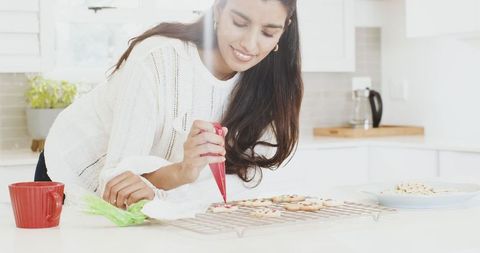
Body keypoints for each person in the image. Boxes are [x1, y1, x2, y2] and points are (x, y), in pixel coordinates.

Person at [35, 0, 303, 209]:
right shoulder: (157, 58)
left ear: (285, 28)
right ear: (219, 10)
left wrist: (185, 174)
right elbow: (117, 183)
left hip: (155, 195)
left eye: (268, 32)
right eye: (239, 22)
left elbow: (240, 179)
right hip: (76, 173)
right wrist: (183, 171)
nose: (250, 44)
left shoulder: (271, 83)